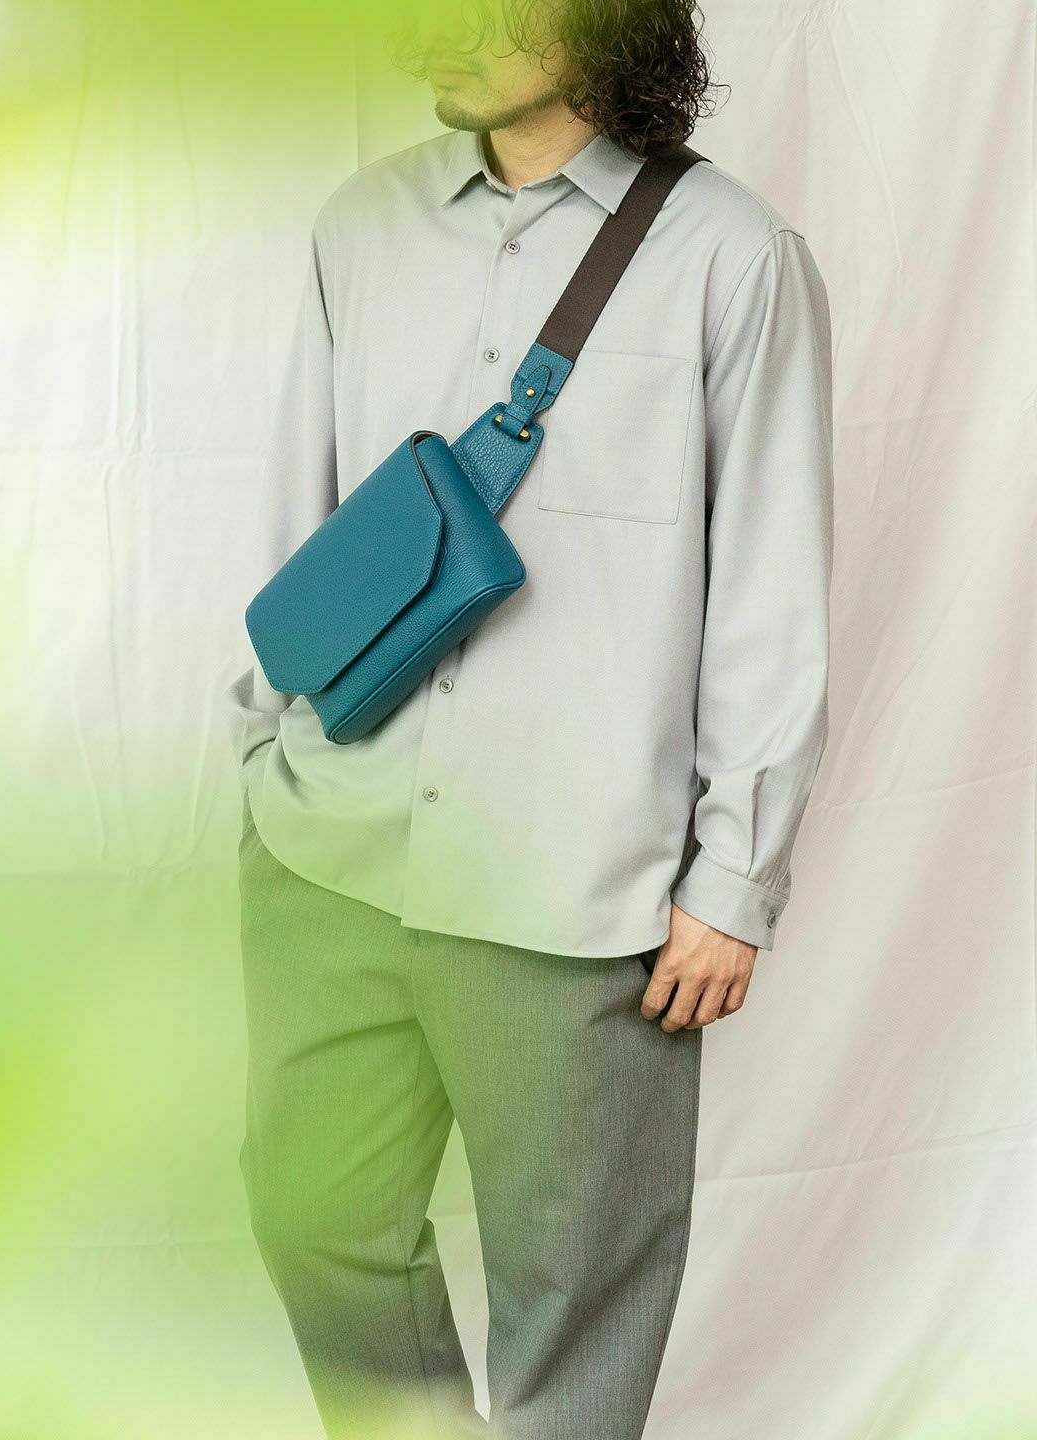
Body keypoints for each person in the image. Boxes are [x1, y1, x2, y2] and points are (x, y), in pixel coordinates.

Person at [225, 3, 834, 1436]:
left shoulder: (733, 258)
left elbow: (771, 582)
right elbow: (303, 513)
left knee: (574, 1308)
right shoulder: (360, 226)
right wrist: (265, 747)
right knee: (317, 1222)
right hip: (334, 853)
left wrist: (734, 879)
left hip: (573, 894)